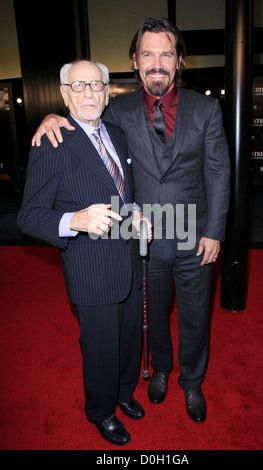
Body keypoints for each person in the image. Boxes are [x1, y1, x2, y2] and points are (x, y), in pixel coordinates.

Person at [32, 17, 231, 424]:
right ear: (135, 62)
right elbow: (84, 124)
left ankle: (192, 381)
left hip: (195, 232)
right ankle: (159, 368)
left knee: (196, 313)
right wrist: (51, 117)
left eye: (166, 54)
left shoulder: (207, 108)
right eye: (148, 54)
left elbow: (219, 172)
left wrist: (215, 231)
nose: (157, 62)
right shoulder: (116, 108)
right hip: (144, 232)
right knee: (152, 311)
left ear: (179, 61)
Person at [18, 59, 152, 446]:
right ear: (64, 94)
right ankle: (100, 410)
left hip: (126, 256)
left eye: (96, 85)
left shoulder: (117, 134)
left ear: (108, 92)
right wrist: (74, 220)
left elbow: (124, 192)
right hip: (90, 266)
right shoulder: (52, 142)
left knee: (129, 338)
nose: (88, 93)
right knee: (100, 345)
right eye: (78, 86)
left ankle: (125, 393)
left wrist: (136, 211)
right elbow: (29, 216)